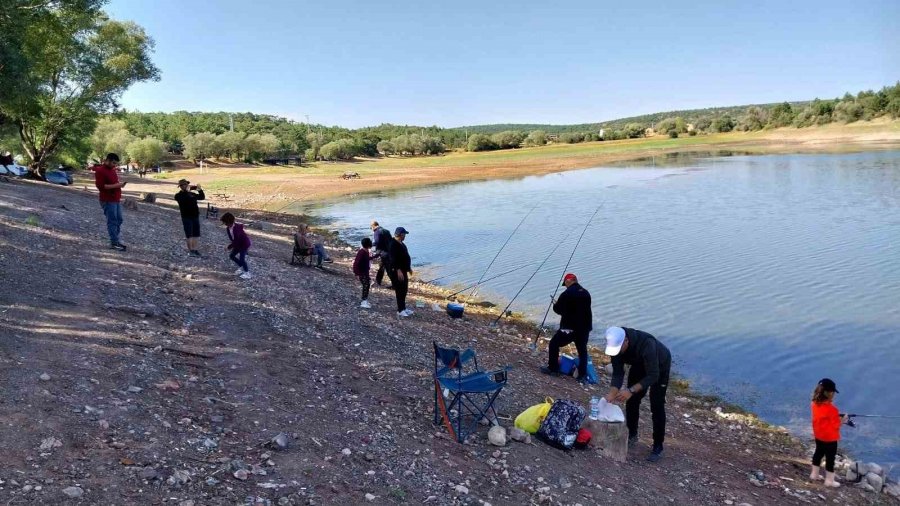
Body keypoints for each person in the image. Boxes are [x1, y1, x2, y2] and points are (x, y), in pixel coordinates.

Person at [604, 326, 672, 462]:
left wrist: (630, 390)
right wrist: (612, 393)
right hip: (638, 364)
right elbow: (618, 372)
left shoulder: (647, 345)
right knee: (632, 401)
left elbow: (653, 375)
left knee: (656, 405)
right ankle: (632, 434)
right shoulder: (615, 345)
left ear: (626, 341)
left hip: (659, 365)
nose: (616, 353)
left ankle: (658, 446)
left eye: (619, 349)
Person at [540, 273, 592, 384]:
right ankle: (582, 376)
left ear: (569, 281)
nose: (565, 286)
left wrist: (555, 305)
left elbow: (559, 310)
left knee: (554, 344)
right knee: (582, 351)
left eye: (565, 283)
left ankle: (553, 369)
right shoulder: (586, 293)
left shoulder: (566, 294)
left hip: (569, 328)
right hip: (584, 328)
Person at [810, 378, 847, 488]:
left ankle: (814, 475)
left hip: (819, 436)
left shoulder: (814, 404)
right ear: (829, 393)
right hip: (830, 439)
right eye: (833, 392)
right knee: (830, 459)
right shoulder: (833, 409)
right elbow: (836, 426)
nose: (834, 394)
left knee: (818, 454)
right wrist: (843, 419)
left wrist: (836, 416)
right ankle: (829, 481)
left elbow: (823, 415)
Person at [93, 153, 127, 251]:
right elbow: (101, 187)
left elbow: (113, 183)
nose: (114, 165)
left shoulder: (112, 170)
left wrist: (119, 185)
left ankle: (115, 240)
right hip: (107, 200)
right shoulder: (100, 171)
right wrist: (117, 186)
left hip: (115, 199)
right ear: (107, 160)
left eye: (116, 163)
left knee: (119, 220)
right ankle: (114, 242)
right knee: (112, 221)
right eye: (113, 163)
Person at [174, 179, 205, 257]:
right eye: (182, 185)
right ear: (180, 187)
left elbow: (202, 197)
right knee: (189, 234)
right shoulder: (178, 195)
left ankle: (195, 249)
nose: (184, 186)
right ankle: (190, 250)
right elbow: (184, 200)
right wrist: (187, 192)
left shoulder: (192, 194)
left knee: (196, 234)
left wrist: (199, 190)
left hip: (195, 216)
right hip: (186, 217)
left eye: (185, 184)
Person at [387, 226, 412, 317]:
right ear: (401, 234)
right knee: (400, 290)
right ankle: (400, 310)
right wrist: (398, 270)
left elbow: (406, 256)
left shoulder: (401, 243)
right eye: (404, 234)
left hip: (403, 270)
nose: (405, 236)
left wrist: (409, 269)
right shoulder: (393, 244)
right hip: (396, 271)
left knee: (404, 289)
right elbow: (392, 259)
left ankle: (404, 308)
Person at [221, 212, 252, 280]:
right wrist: (231, 246)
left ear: (229, 221)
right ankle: (241, 267)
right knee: (232, 256)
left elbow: (236, 240)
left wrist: (229, 247)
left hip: (244, 244)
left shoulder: (236, 228)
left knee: (242, 259)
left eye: (225, 222)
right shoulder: (228, 228)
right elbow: (233, 239)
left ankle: (247, 273)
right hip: (237, 244)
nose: (225, 224)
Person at [353, 237, 374, 309]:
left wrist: (375, 256)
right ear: (368, 244)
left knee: (367, 285)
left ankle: (365, 299)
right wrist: (357, 273)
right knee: (366, 285)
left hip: (365, 272)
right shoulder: (361, 252)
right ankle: (363, 301)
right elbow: (356, 263)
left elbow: (367, 259)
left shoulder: (366, 251)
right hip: (362, 272)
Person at [370, 221, 392, 286]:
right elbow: (391, 241)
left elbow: (377, 242)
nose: (371, 229)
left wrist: (369, 245)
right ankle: (378, 281)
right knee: (382, 267)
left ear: (373, 226)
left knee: (388, 269)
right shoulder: (386, 231)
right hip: (389, 252)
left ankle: (395, 284)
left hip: (383, 253)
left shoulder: (377, 232)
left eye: (370, 228)